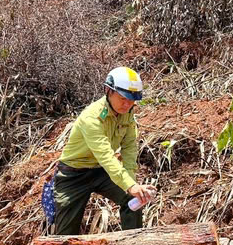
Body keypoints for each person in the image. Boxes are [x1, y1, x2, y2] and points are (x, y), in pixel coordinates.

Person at [52, 67, 156, 235]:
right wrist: (130, 185)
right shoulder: (92, 118)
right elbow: (106, 156)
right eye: (123, 98)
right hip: (73, 175)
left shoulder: (127, 114)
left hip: (101, 172)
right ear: (108, 90)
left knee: (133, 199)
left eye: (132, 100)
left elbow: (129, 148)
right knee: (66, 234)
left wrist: (133, 184)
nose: (127, 104)